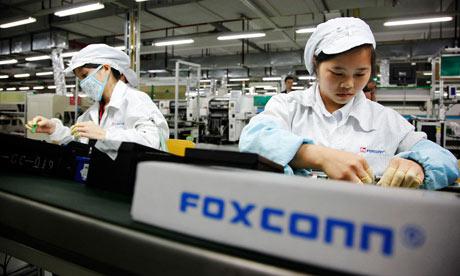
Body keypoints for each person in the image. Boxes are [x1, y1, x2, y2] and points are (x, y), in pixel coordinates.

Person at [239, 17, 459, 190]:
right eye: (337, 73)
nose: (348, 84)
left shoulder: (385, 120)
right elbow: (254, 140)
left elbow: (444, 160)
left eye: (360, 74)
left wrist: (417, 165)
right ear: (316, 64)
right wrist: (322, 157)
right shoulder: (288, 106)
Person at [26, 44, 169, 150]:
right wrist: (53, 129)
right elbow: (78, 138)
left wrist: (105, 135)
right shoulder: (94, 111)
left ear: (106, 68)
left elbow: (153, 139)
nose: (83, 83)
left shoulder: (136, 100)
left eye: (84, 75)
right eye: (79, 78)